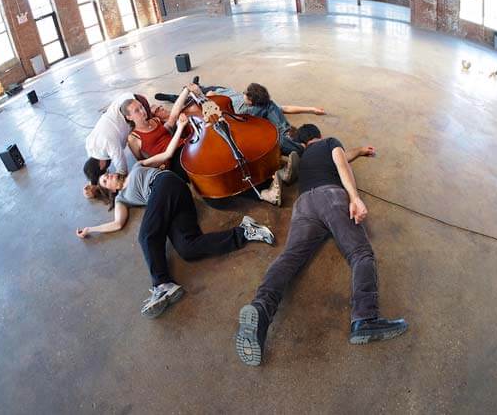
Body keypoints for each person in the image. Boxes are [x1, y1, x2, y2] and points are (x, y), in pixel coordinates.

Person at [234, 124, 407, 366]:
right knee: (360, 254)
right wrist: (355, 198)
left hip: (304, 205)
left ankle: (261, 310)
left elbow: (345, 155)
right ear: (320, 136)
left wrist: (359, 151)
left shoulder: (305, 157)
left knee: (289, 258)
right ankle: (365, 319)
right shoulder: (330, 143)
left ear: (304, 144)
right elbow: (341, 162)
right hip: (331, 197)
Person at [77, 116, 276, 319]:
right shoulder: (122, 199)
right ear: (108, 190)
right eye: (105, 180)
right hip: (172, 204)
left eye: (107, 174)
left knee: (146, 234)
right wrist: (91, 229)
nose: (109, 176)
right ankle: (245, 231)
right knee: (188, 248)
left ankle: (162, 284)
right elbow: (117, 223)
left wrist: (180, 127)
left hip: (165, 183)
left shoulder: (137, 168)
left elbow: (167, 154)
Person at [155, 82, 325, 156]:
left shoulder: (236, 97)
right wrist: (203, 95)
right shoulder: (206, 99)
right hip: (221, 103)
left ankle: (287, 134)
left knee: (271, 106)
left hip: (222, 96)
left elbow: (284, 108)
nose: (243, 94)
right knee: (180, 97)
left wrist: (311, 108)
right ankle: (169, 96)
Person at [82, 92, 152, 195]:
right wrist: (93, 184)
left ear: (101, 165)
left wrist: (112, 185)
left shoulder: (108, 143)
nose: (108, 170)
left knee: (150, 126)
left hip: (137, 104)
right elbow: (91, 168)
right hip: (125, 99)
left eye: (105, 170)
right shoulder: (89, 145)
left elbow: (122, 169)